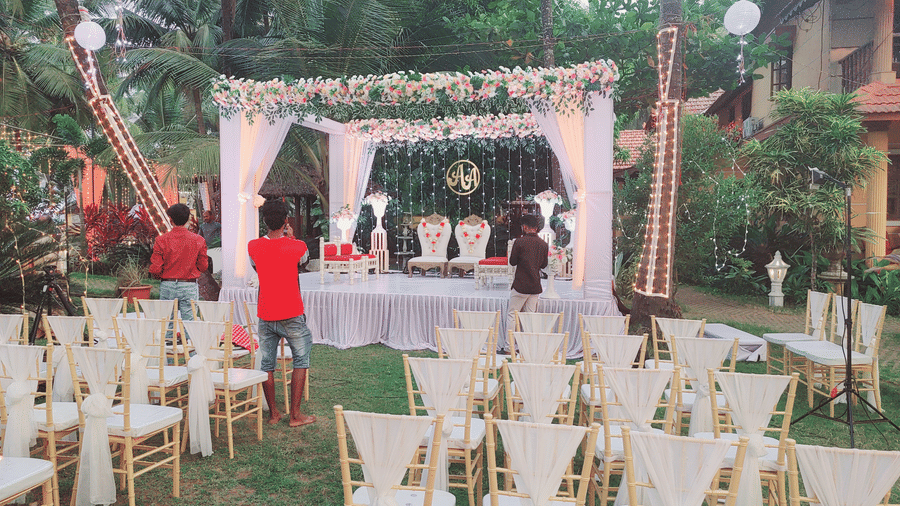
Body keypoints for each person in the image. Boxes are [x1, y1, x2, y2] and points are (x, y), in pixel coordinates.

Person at [248, 200, 315, 427]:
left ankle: (274, 413)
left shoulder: (253, 246)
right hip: (292, 311)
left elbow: (257, 267)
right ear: (286, 221)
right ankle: (295, 414)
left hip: (266, 312)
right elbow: (302, 263)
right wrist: (291, 238)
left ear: (264, 221)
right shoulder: (298, 246)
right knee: (301, 360)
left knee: (267, 363)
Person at [149, 203, 208, 326]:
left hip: (168, 283)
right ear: (188, 219)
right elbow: (203, 266)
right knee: (190, 322)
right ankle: (187, 338)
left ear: (170, 219)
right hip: (188, 284)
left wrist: (162, 276)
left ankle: (169, 337)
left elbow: (155, 268)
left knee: (167, 321)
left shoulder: (161, 240)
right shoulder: (198, 240)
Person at [507, 214, 549, 332]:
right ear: (536, 227)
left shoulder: (519, 242)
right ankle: (528, 342)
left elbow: (512, 262)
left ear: (524, 227)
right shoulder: (543, 244)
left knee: (512, 314)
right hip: (535, 286)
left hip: (520, 285)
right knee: (530, 317)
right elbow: (544, 265)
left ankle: (509, 343)